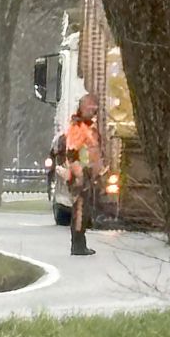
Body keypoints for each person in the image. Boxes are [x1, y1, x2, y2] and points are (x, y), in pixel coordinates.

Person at [65, 94, 103, 255]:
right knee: (80, 210)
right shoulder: (78, 128)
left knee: (84, 210)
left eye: (94, 106)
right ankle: (78, 245)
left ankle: (81, 243)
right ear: (81, 108)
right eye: (89, 106)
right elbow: (71, 153)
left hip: (87, 174)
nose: (93, 109)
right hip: (80, 175)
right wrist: (79, 174)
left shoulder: (88, 127)